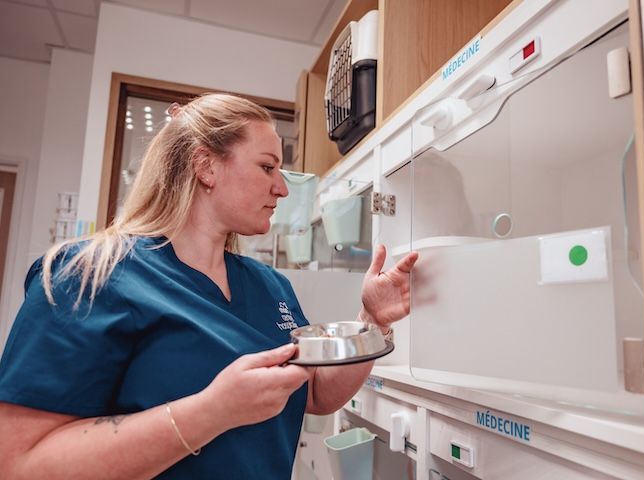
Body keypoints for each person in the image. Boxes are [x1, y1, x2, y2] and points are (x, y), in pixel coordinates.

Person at [0, 93, 418, 479]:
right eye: (267, 167)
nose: (282, 187)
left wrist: (372, 321)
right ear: (206, 167)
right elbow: (20, 462)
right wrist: (213, 411)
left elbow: (314, 394)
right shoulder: (90, 274)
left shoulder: (270, 286)